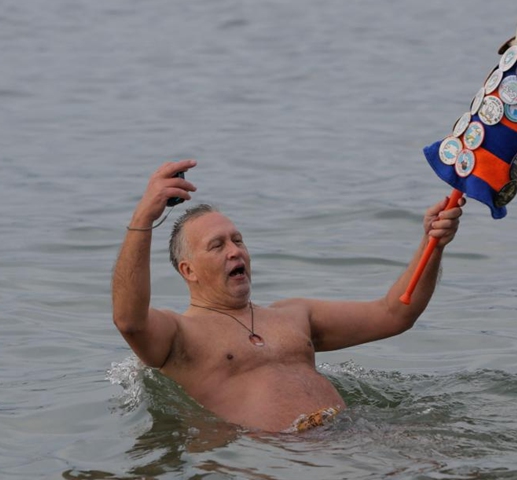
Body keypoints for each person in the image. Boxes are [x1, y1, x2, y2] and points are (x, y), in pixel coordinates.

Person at [112, 159, 465, 433]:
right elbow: (129, 321)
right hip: (279, 457)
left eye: (237, 240)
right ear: (188, 270)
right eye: (217, 246)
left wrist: (432, 243)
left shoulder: (294, 316)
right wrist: (144, 215)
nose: (235, 251)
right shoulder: (179, 335)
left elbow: (395, 313)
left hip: (353, 436)